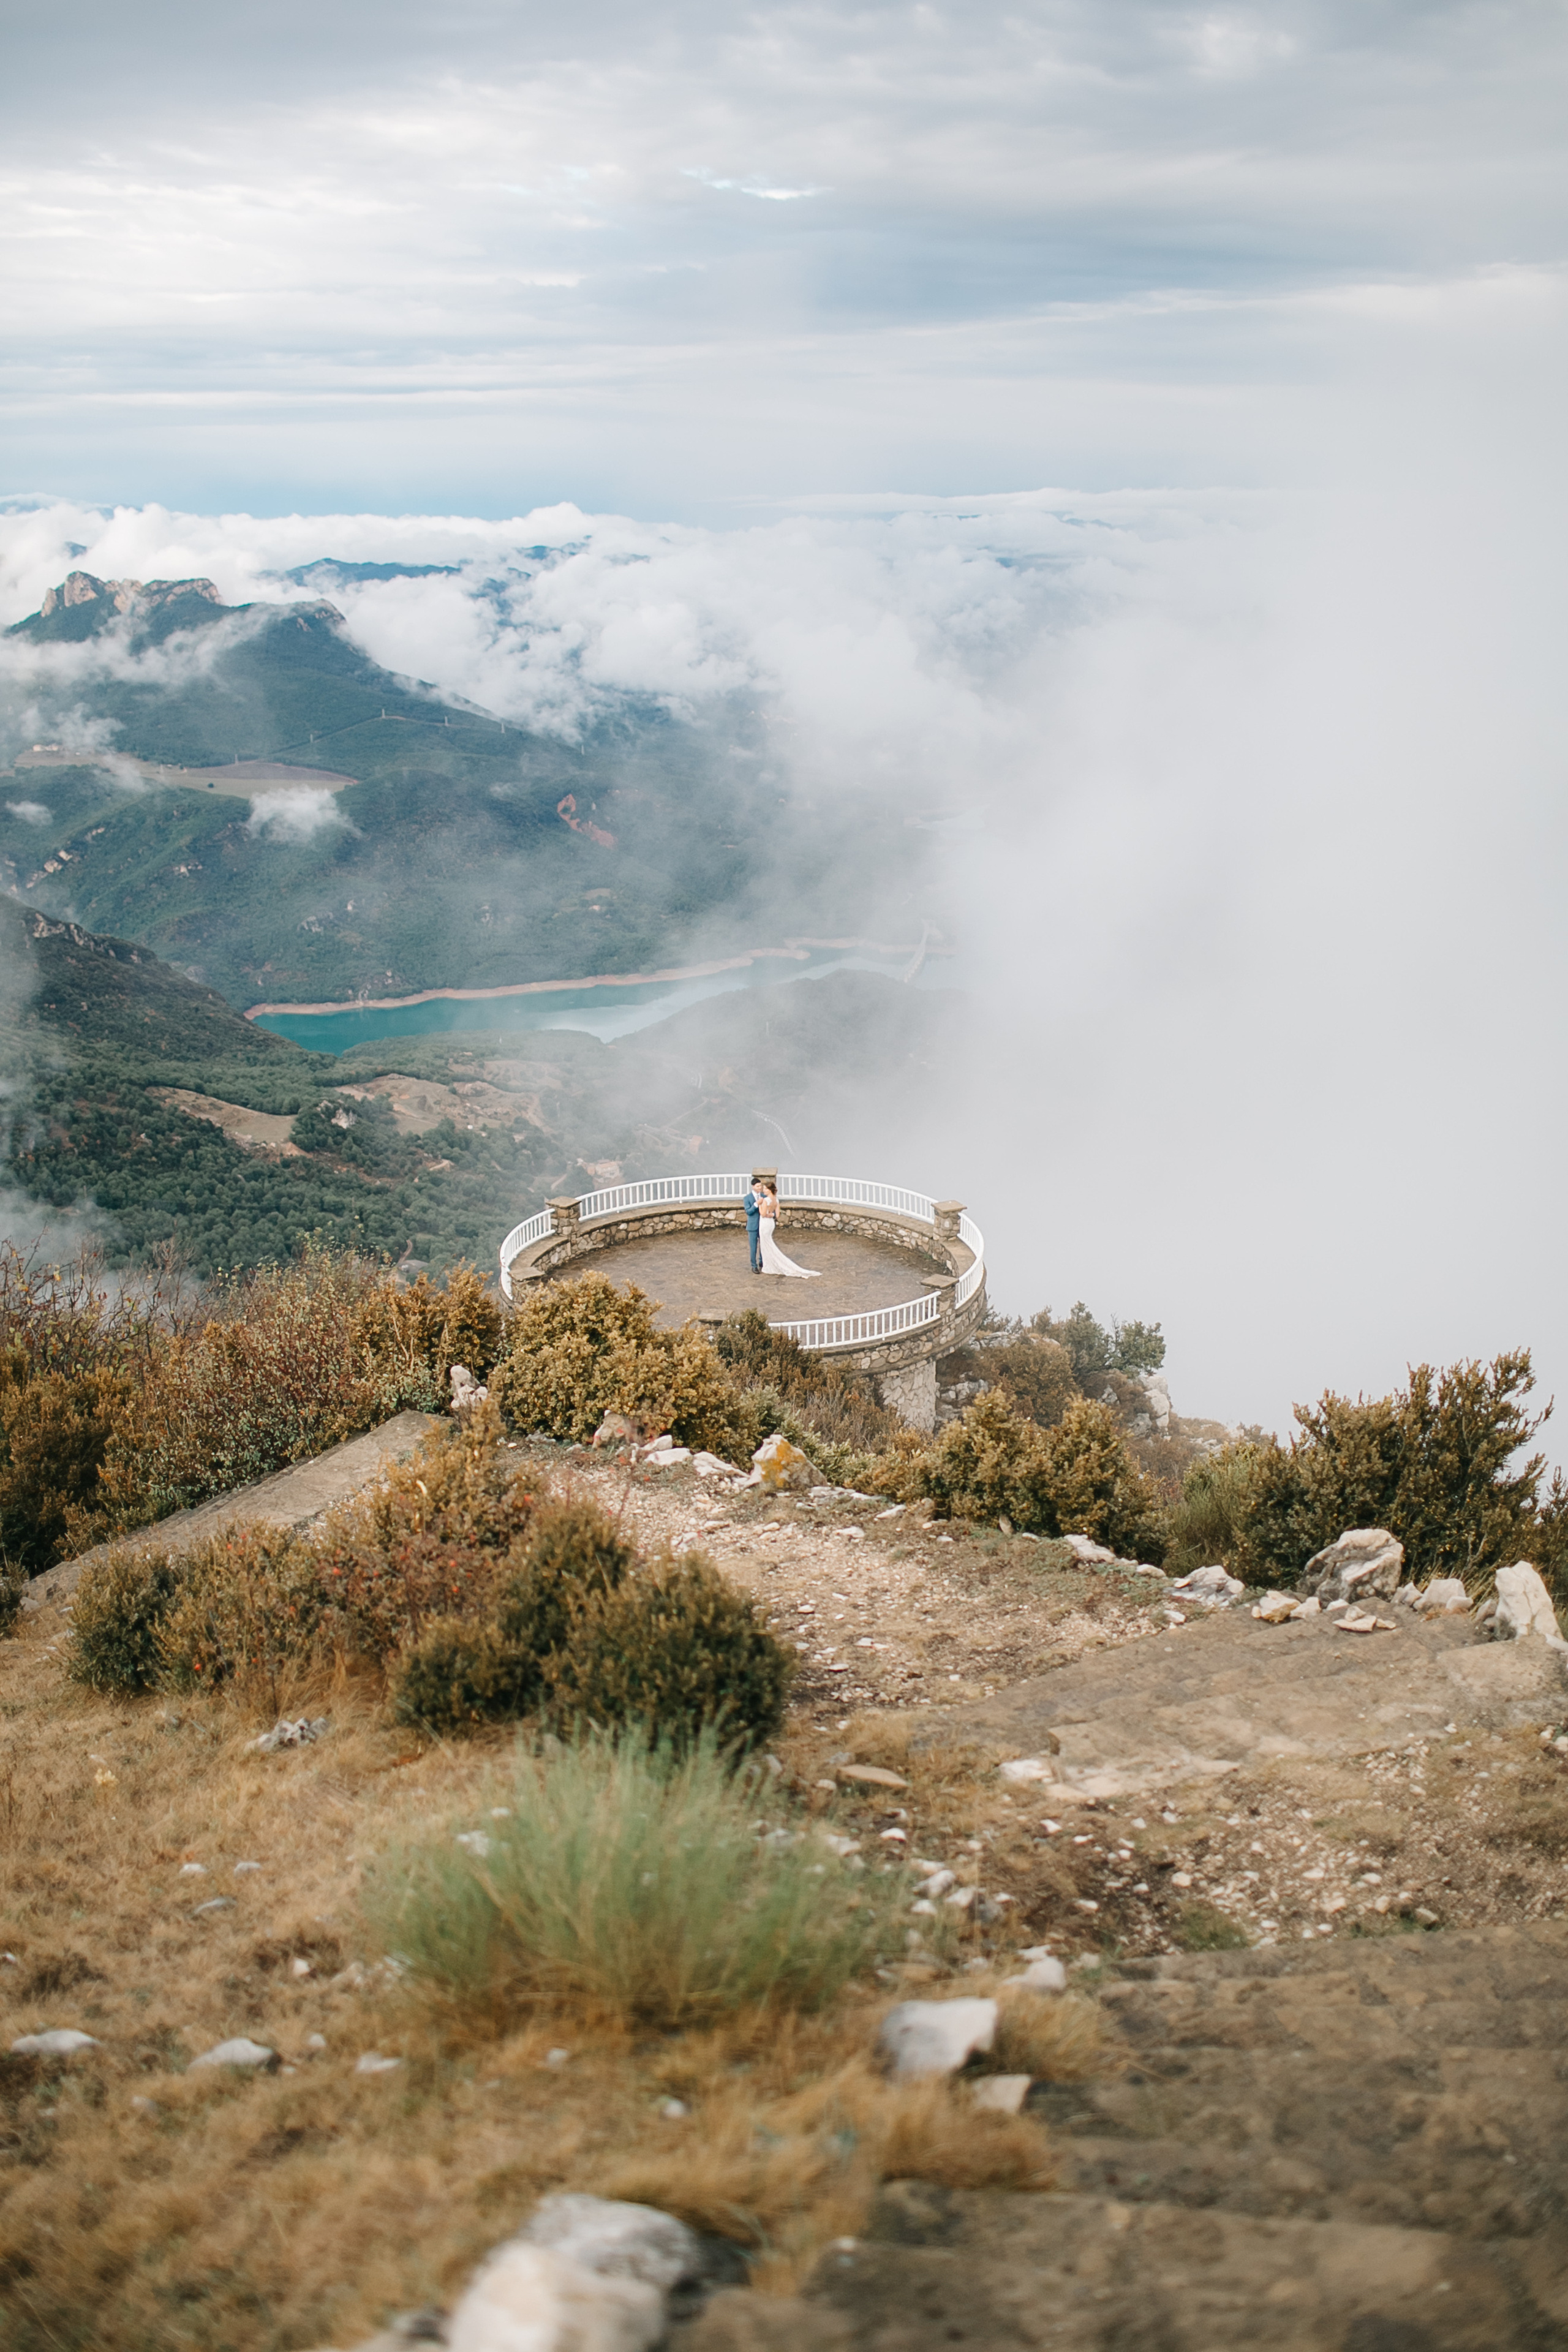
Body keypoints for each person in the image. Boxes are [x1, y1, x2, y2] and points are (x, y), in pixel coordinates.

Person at [756, 1182, 821, 1278]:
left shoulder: (765, 1200)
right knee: (768, 1243)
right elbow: (777, 1215)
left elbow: (762, 1214)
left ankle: (770, 1265)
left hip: (765, 1223)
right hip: (770, 1223)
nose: (763, 1190)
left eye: (765, 1189)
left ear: (770, 1190)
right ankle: (770, 1263)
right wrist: (772, 1215)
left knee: (766, 1244)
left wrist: (759, 1205)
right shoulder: (776, 1200)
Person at [742, 1178, 763, 1273]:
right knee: (753, 1247)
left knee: (763, 1245)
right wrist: (756, 1205)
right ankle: (754, 1265)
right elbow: (748, 1212)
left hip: (763, 1225)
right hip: (752, 1226)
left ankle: (762, 1262)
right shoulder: (747, 1198)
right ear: (753, 1187)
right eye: (758, 1186)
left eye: (761, 1186)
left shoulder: (764, 1196)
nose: (760, 1188)